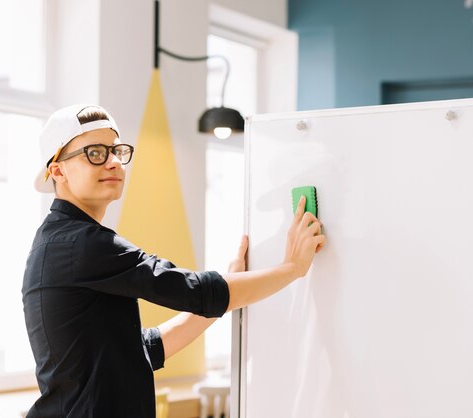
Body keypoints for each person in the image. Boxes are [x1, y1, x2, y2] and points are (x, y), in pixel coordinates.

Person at [22, 104, 326, 418]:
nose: (113, 162)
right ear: (57, 170)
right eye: (95, 153)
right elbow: (195, 291)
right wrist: (292, 267)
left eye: (117, 151)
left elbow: (141, 350)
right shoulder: (82, 244)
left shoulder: (61, 242)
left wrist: (229, 291)